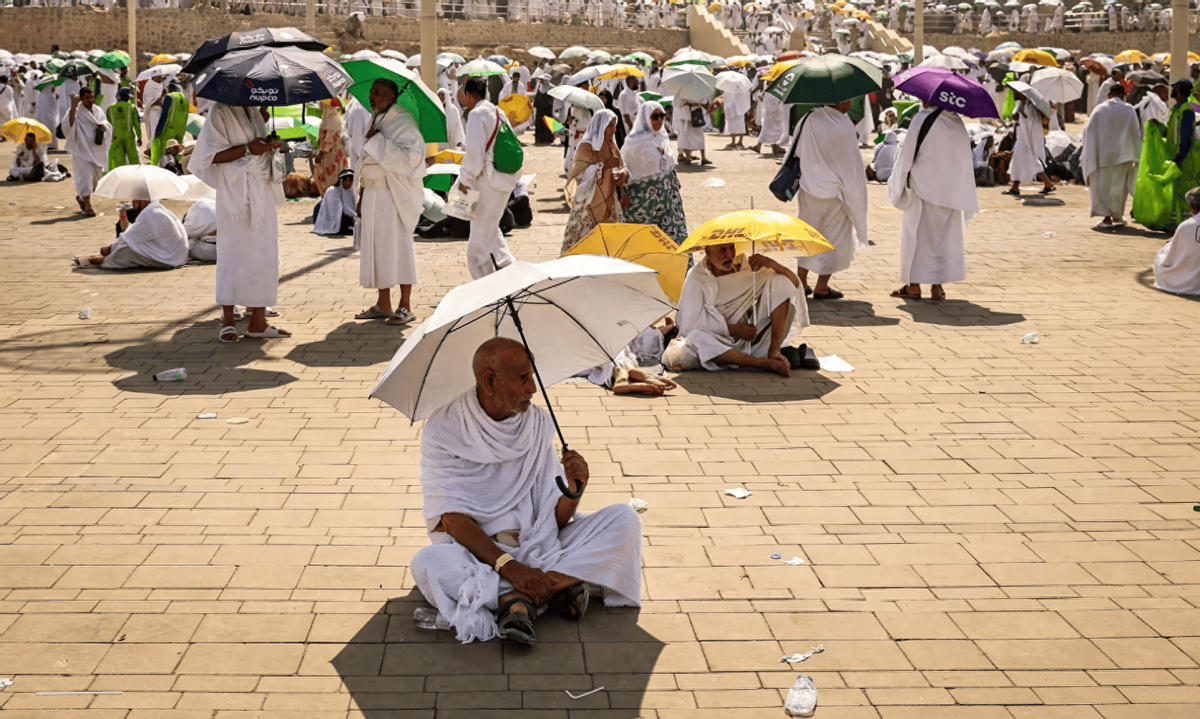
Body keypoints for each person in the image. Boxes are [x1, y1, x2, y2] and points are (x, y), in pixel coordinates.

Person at [409, 337, 643, 645]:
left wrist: (574, 490)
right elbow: (451, 519)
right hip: (477, 554)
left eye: (532, 377)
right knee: (428, 562)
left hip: (539, 543)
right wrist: (510, 567)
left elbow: (553, 519)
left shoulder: (536, 424)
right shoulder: (444, 428)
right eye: (523, 379)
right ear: (490, 381)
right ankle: (556, 587)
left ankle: (518, 600)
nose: (533, 388)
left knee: (624, 519)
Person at [190, 101, 289, 343]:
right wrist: (248, 148)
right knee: (232, 252)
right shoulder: (220, 111)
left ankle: (258, 320)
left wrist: (269, 142)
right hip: (234, 192)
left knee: (263, 253)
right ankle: (229, 320)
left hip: (261, 188)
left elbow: (258, 148)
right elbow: (208, 157)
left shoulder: (255, 111)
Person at [663, 242, 807, 377]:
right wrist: (733, 329)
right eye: (722, 251)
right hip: (717, 341)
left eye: (731, 248)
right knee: (696, 337)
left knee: (780, 281)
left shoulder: (746, 267)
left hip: (751, 340)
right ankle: (762, 364)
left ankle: (774, 350)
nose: (729, 254)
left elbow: (792, 284)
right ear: (707, 252)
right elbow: (690, 325)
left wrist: (771, 264)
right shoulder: (696, 277)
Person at [353, 78, 426, 327]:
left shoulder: (402, 120)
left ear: (393, 96)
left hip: (393, 196)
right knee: (376, 249)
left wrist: (378, 141)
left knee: (398, 248)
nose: (372, 97)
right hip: (373, 195)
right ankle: (383, 302)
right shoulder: (376, 119)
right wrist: (361, 195)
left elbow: (414, 158)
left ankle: (405, 305)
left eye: (378, 93)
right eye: (371, 92)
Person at [887, 105, 978, 302]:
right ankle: (937, 287)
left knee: (916, 238)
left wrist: (898, 183)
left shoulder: (922, 119)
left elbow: (906, 155)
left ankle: (913, 287)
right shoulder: (957, 123)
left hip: (922, 190)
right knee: (942, 240)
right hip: (950, 193)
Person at [789, 101, 870, 300]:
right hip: (835, 192)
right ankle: (822, 286)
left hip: (809, 188)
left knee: (807, 234)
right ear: (839, 101)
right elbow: (850, 163)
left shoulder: (808, 118)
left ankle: (801, 282)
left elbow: (796, 151)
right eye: (848, 100)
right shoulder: (843, 124)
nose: (850, 104)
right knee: (834, 238)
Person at [459, 76, 521, 279]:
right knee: (492, 235)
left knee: (477, 248)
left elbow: (475, 158)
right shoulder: (498, 111)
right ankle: (514, 275)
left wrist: (464, 181)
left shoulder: (476, 115)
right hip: (504, 182)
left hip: (488, 185)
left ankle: (486, 290)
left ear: (468, 95)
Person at [621, 102, 688, 244]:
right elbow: (624, 170)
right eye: (655, 116)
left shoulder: (663, 137)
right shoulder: (633, 143)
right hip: (643, 203)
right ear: (645, 118)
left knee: (674, 240)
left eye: (662, 116)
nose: (659, 120)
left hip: (669, 202)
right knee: (643, 242)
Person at [561, 110, 628, 254]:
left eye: (614, 125)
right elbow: (577, 177)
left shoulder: (612, 146)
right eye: (610, 126)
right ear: (601, 126)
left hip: (610, 203)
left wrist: (624, 174)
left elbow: (622, 166)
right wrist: (604, 166)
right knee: (584, 245)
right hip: (588, 205)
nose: (614, 130)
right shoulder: (586, 147)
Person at [1081, 84, 1142, 230]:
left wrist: (1090, 152)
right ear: (1123, 94)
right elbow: (1135, 132)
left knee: (1101, 187)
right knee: (1119, 188)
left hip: (1101, 156)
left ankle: (1107, 218)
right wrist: (1136, 154)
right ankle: (1117, 215)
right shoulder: (1129, 110)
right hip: (1122, 155)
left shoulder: (1099, 109)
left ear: (1109, 94)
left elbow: (1088, 131)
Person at [71, 199, 188, 270]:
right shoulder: (157, 208)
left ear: (144, 201)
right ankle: (103, 258)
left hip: (170, 258)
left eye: (135, 200)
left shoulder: (149, 213)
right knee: (128, 245)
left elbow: (127, 238)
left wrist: (108, 250)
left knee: (125, 250)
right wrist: (123, 213)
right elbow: (129, 231)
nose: (132, 203)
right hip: (177, 255)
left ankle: (100, 261)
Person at [65, 86, 111, 218]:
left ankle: (81, 198)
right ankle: (88, 206)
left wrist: (104, 126)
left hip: (96, 151)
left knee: (96, 182)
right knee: (85, 177)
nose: (90, 100)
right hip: (81, 151)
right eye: (87, 98)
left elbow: (108, 125)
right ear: (81, 99)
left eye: (92, 97)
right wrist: (73, 106)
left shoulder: (98, 110)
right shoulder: (75, 111)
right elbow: (69, 125)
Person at [1005, 90, 1055, 197]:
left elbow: (1035, 122)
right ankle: (1015, 187)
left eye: (1016, 92)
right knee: (1017, 161)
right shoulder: (1020, 104)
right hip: (1022, 136)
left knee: (1031, 161)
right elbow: (1017, 117)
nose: (1015, 93)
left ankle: (1048, 183)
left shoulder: (1031, 106)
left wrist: (1023, 118)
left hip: (1029, 137)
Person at [1166, 79, 1200, 228]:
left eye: (1174, 87)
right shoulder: (1177, 109)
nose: (1172, 89)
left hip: (1183, 159)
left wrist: (1180, 156)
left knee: (1185, 193)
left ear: (1178, 89)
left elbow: (1186, 136)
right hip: (1177, 157)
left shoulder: (1186, 110)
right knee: (1177, 193)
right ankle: (1177, 224)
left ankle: (1188, 225)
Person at [1153, 187, 1200, 295]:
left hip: (1190, 279)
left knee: (1162, 254)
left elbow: (1172, 254)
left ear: (1192, 207)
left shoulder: (1187, 225)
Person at [313, 98, 348, 196]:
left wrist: (321, 154)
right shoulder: (327, 119)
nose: (320, 104)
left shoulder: (332, 119)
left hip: (331, 154)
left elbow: (330, 139)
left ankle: (332, 200)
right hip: (328, 153)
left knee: (331, 178)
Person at [150, 82, 187, 166]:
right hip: (180, 129)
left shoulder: (170, 97)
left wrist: (158, 130)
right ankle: (176, 169)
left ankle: (166, 170)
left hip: (169, 130)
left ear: (169, 89)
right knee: (177, 151)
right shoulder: (185, 97)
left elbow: (165, 115)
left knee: (167, 151)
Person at [312, 168, 357, 236]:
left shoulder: (352, 191)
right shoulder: (333, 191)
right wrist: (353, 218)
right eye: (345, 180)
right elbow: (336, 211)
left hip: (348, 216)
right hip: (330, 220)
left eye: (350, 180)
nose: (348, 183)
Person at [106, 86, 141, 170]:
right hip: (129, 137)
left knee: (119, 162)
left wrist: (109, 138)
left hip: (116, 137)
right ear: (127, 96)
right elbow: (137, 124)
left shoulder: (110, 108)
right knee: (134, 161)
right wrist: (139, 137)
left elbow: (108, 125)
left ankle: (121, 179)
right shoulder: (132, 107)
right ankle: (135, 178)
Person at [674, 99, 709, 165]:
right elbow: (676, 102)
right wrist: (695, 104)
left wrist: (691, 104)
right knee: (687, 137)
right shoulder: (683, 92)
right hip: (686, 117)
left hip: (694, 116)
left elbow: (704, 103)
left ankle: (698, 158)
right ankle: (694, 157)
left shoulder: (682, 91)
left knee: (695, 137)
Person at [184, 198, 218, 263]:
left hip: (211, 251)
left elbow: (188, 232)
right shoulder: (217, 203)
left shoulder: (199, 206)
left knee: (186, 243)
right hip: (229, 250)